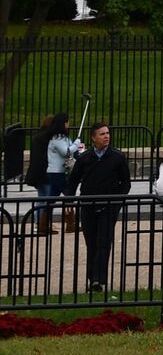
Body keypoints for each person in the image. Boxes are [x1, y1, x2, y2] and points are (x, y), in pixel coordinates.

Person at [64, 122, 132, 298]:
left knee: (104, 242)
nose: (106, 136)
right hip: (88, 206)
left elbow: (125, 182)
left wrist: (118, 201)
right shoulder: (85, 158)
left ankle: (98, 279)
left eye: (107, 133)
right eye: (102, 134)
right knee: (91, 243)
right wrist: (69, 199)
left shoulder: (117, 157)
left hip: (109, 206)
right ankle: (92, 278)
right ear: (93, 138)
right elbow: (73, 181)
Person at [29, 113, 76, 235]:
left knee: (48, 199)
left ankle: (42, 224)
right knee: (68, 195)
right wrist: (76, 145)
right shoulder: (56, 138)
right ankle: (70, 224)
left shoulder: (44, 137)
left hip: (45, 172)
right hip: (55, 172)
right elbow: (66, 152)